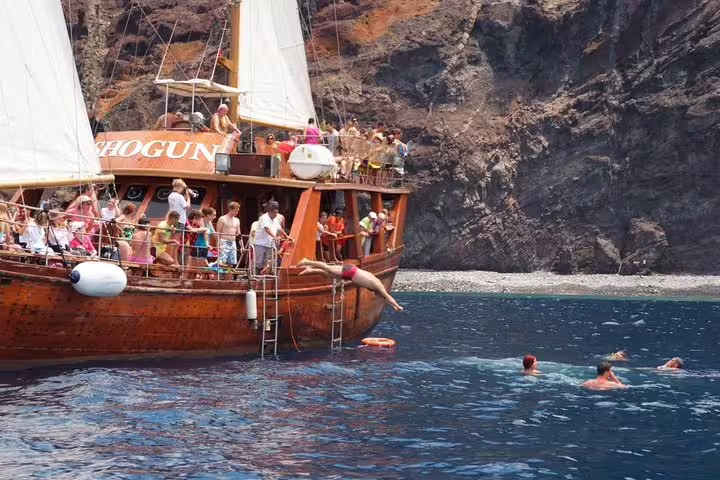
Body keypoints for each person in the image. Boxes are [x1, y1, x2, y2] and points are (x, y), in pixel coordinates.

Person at [298, 258, 403, 312]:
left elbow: (385, 298)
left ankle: (310, 270)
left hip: (351, 276)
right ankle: (307, 261)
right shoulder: (378, 285)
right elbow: (388, 297)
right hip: (351, 271)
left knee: (328, 275)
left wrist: (393, 306)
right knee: (327, 268)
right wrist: (397, 306)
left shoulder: (376, 285)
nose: (379, 296)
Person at [254, 201, 288, 274]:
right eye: (274, 212)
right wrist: (275, 237)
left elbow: (280, 228)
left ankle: (266, 278)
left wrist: (287, 236)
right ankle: (257, 278)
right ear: (269, 211)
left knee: (269, 263)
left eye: (277, 212)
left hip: (270, 244)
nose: (276, 214)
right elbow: (267, 229)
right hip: (260, 244)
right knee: (259, 262)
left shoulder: (275, 219)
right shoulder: (264, 218)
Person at [168, 178, 192, 262]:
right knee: (176, 241)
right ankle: (173, 259)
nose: (182, 190)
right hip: (180, 220)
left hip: (172, 219)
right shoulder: (179, 196)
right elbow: (187, 206)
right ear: (179, 186)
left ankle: (171, 258)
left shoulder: (170, 196)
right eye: (182, 188)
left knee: (172, 239)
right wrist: (188, 197)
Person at [216, 202, 241, 267]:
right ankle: (220, 276)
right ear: (230, 209)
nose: (236, 213)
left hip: (233, 242)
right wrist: (218, 243)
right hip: (224, 241)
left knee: (231, 263)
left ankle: (229, 277)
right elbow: (218, 232)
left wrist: (242, 245)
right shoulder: (222, 218)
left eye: (237, 211)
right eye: (235, 211)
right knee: (222, 261)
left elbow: (239, 234)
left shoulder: (237, 220)